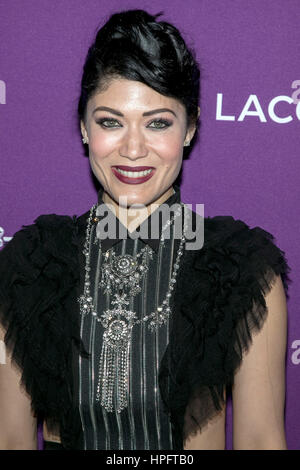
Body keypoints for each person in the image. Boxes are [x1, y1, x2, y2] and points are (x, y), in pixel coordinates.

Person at [0, 9, 291, 450]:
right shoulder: (32, 264)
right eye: (110, 122)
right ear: (83, 127)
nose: (133, 149)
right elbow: (11, 438)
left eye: (157, 123)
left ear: (190, 127)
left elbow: (260, 440)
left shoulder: (240, 269)